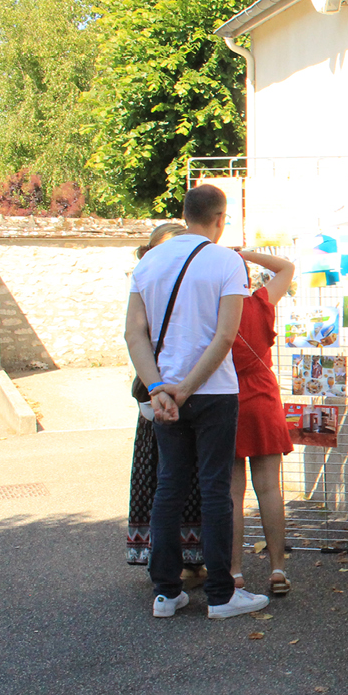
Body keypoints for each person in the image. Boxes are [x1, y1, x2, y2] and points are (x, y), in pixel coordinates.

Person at [125, 184, 268, 619]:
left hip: (165, 392)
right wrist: (187, 389)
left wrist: (159, 389)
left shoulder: (150, 261)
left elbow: (134, 333)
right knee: (215, 490)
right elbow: (225, 336)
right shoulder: (226, 261)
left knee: (168, 487)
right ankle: (223, 595)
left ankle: (166, 593)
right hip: (213, 392)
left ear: (184, 214)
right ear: (220, 219)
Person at [126, 223, 205, 580]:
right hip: (162, 394)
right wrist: (157, 387)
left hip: (189, 391)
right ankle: (165, 562)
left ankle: (191, 559)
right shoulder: (146, 281)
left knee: (187, 480)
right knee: (165, 479)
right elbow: (135, 336)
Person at [229, 250, 296, 595]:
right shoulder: (260, 301)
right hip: (264, 397)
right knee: (269, 489)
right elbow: (286, 267)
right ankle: (278, 569)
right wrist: (245, 253)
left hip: (227, 398)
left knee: (232, 494)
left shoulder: (214, 309)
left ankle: (235, 572)